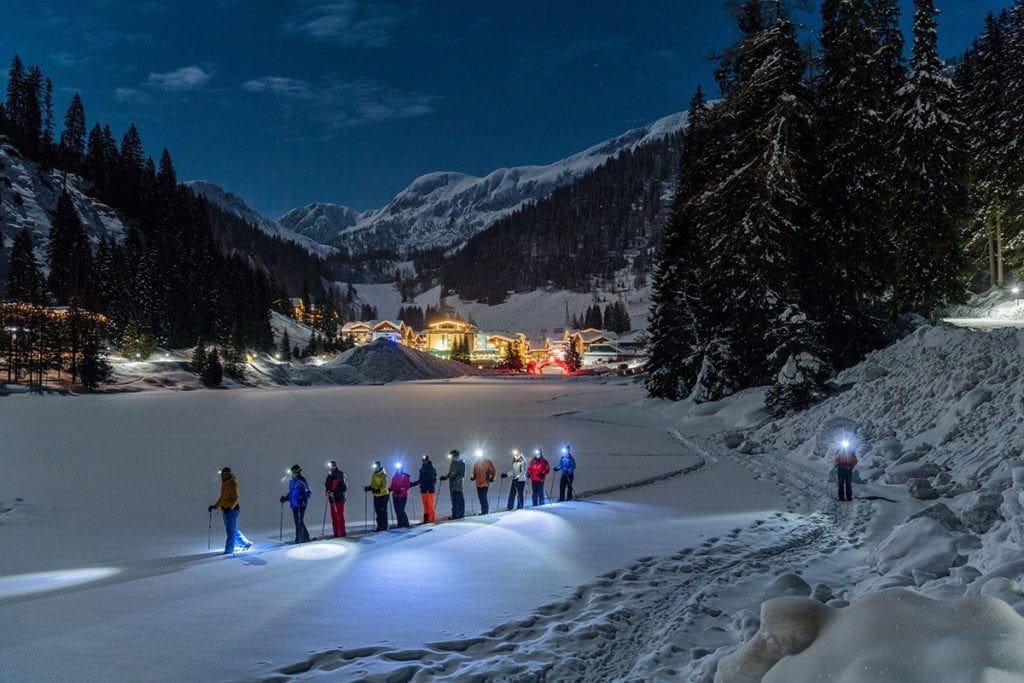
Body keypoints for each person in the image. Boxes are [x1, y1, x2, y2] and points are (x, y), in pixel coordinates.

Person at [208, 466, 251, 555]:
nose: (221, 477)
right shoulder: (224, 483)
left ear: (227, 475)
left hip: (233, 510)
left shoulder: (233, 483)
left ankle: (229, 551)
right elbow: (222, 498)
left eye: (223, 475)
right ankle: (245, 543)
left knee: (230, 531)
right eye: (221, 475)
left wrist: (230, 507)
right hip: (225, 510)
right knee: (231, 529)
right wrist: (215, 506)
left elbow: (236, 498)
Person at [280, 464, 312, 543]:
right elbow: (292, 493)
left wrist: (302, 499)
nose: (292, 475)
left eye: (293, 473)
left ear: (297, 473)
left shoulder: (301, 480)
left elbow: (308, 493)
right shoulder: (292, 482)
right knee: (298, 521)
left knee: (299, 521)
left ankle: (300, 538)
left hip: (301, 504)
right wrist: (285, 498)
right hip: (294, 504)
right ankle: (305, 537)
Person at [409, 454, 438, 523]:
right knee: (425, 506)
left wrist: (428, 486)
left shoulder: (432, 468)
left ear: (428, 460)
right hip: (423, 490)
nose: (424, 461)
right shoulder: (422, 469)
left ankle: (431, 519)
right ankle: (426, 518)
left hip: (429, 490)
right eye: (423, 460)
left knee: (430, 505)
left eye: (425, 460)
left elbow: (434, 480)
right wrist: (413, 484)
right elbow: (421, 480)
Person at [439, 449, 466, 519]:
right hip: (452, 486)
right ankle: (455, 515)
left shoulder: (461, 463)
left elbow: (462, 475)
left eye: (452, 456)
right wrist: (445, 477)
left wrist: (456, 479)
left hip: (458, 486)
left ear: (455, 456)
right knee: (454, 502)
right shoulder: (453, 462)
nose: (451, 458)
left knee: (459, 501)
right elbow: (450, 473)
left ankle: (460, 515)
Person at [364, 461, 390, 531]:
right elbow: (373, 484)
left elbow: (384, 486)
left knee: (382, 511)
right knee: (378, 511)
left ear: (380, 467)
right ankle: (379, 525)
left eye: (377, 467)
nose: (375, 468)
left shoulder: (383, 475)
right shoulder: (374, 474)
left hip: (383, 495)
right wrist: (369, 487)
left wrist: (378, 490)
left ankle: (384, 526)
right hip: (377, 495)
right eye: (375, 467)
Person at [325, 461, 347, 538]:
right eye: (329, 467)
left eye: (331, 467)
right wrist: (327, 491)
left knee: (339, 515)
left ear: (334, 467)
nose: (330, 468)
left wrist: (334, 492)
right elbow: (327, 485)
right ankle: (336, 534)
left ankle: (342, 533)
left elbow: (343, 487)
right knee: (333, 516)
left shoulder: (340, 474)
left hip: (339, 498)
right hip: (332, 499)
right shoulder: (329, 475)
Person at [470, 450, 497, 515]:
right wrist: (473, 477)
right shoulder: (476, 463)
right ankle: (484, 511)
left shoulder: (488, 462)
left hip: (485, 482)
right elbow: (474, 472)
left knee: (483, 497)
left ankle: (485, 512)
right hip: (478, 483)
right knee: (481, 498)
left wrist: (492, 478)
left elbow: (494, 471)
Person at [389, 463, 412, 528]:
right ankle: (400, 524)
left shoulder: (404, 476)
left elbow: (407, 486)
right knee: (397, 510)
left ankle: (406, 524)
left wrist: (401, 490)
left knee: (401, 510)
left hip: (402, 496)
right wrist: (390, 489)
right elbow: (393, 486)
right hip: (395, 496)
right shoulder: (394, 476)